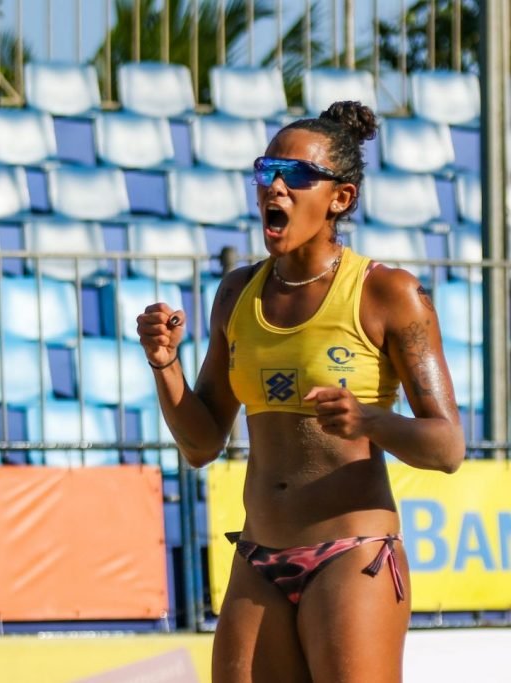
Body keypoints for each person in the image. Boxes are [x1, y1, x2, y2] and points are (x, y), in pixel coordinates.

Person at [137, 101, 464, 682]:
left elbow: (446, 448)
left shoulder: (388, 292)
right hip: (258, 558)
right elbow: (202, 443)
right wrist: (166, 368)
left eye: (299, 176)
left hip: (352, 555)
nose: (278, 186)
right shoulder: (236, 293)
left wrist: (370, 421)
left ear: (340, 198)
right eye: (268, 172)